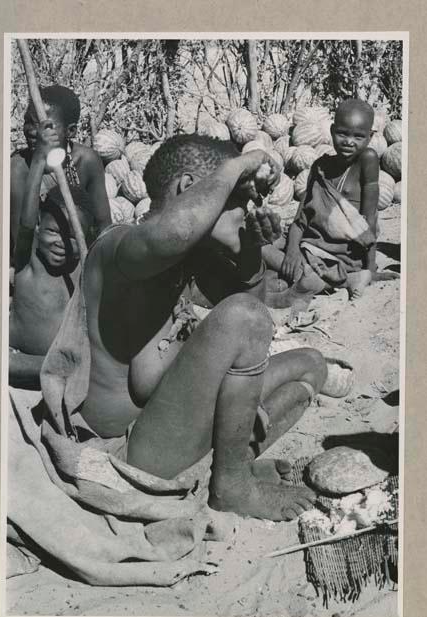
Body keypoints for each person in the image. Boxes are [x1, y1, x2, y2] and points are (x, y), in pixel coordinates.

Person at [52, 134, 327, 522]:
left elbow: (252, 301)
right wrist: (236, 167)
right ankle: (232, 486)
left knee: (311, 366)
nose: (249, 210)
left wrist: (250, 248)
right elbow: (182, 238)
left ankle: (231, 465)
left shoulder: (188, 259)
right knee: (243, 317)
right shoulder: (122, 247)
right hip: (125, 455)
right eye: (240, 200)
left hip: (167, 430)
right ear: (187, 189)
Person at [262, 99, 381, 309]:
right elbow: (301, 219)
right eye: (342, 133)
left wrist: (370, 270)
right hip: (310, 245)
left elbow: (369, 223)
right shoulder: (320, 167)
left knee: (263, 254)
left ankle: (311, 278)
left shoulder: (367, 160)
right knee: (262, 249)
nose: (349, 142)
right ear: (332, 130)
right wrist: (292, 250)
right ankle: (309, 279)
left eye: (358, 136)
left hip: (341, 256)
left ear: (370, 137)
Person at [9, 119, 91, 389]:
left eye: (71, 238)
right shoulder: (28, 260)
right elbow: (26, 217)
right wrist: (39, 160)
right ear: (39, 227)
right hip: (19, 359)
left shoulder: (84, 271)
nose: (61, 244)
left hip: (59, 368)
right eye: (54, 232)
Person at [10, 84, 110, 263]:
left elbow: (103, 227)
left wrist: (83, 253)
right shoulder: (19, 168)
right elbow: (21, 242)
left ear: (70, 131)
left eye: (46, 126)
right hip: (33, 265)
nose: (34, 132)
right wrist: (39, 159)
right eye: (29, 122)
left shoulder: (87, 162)